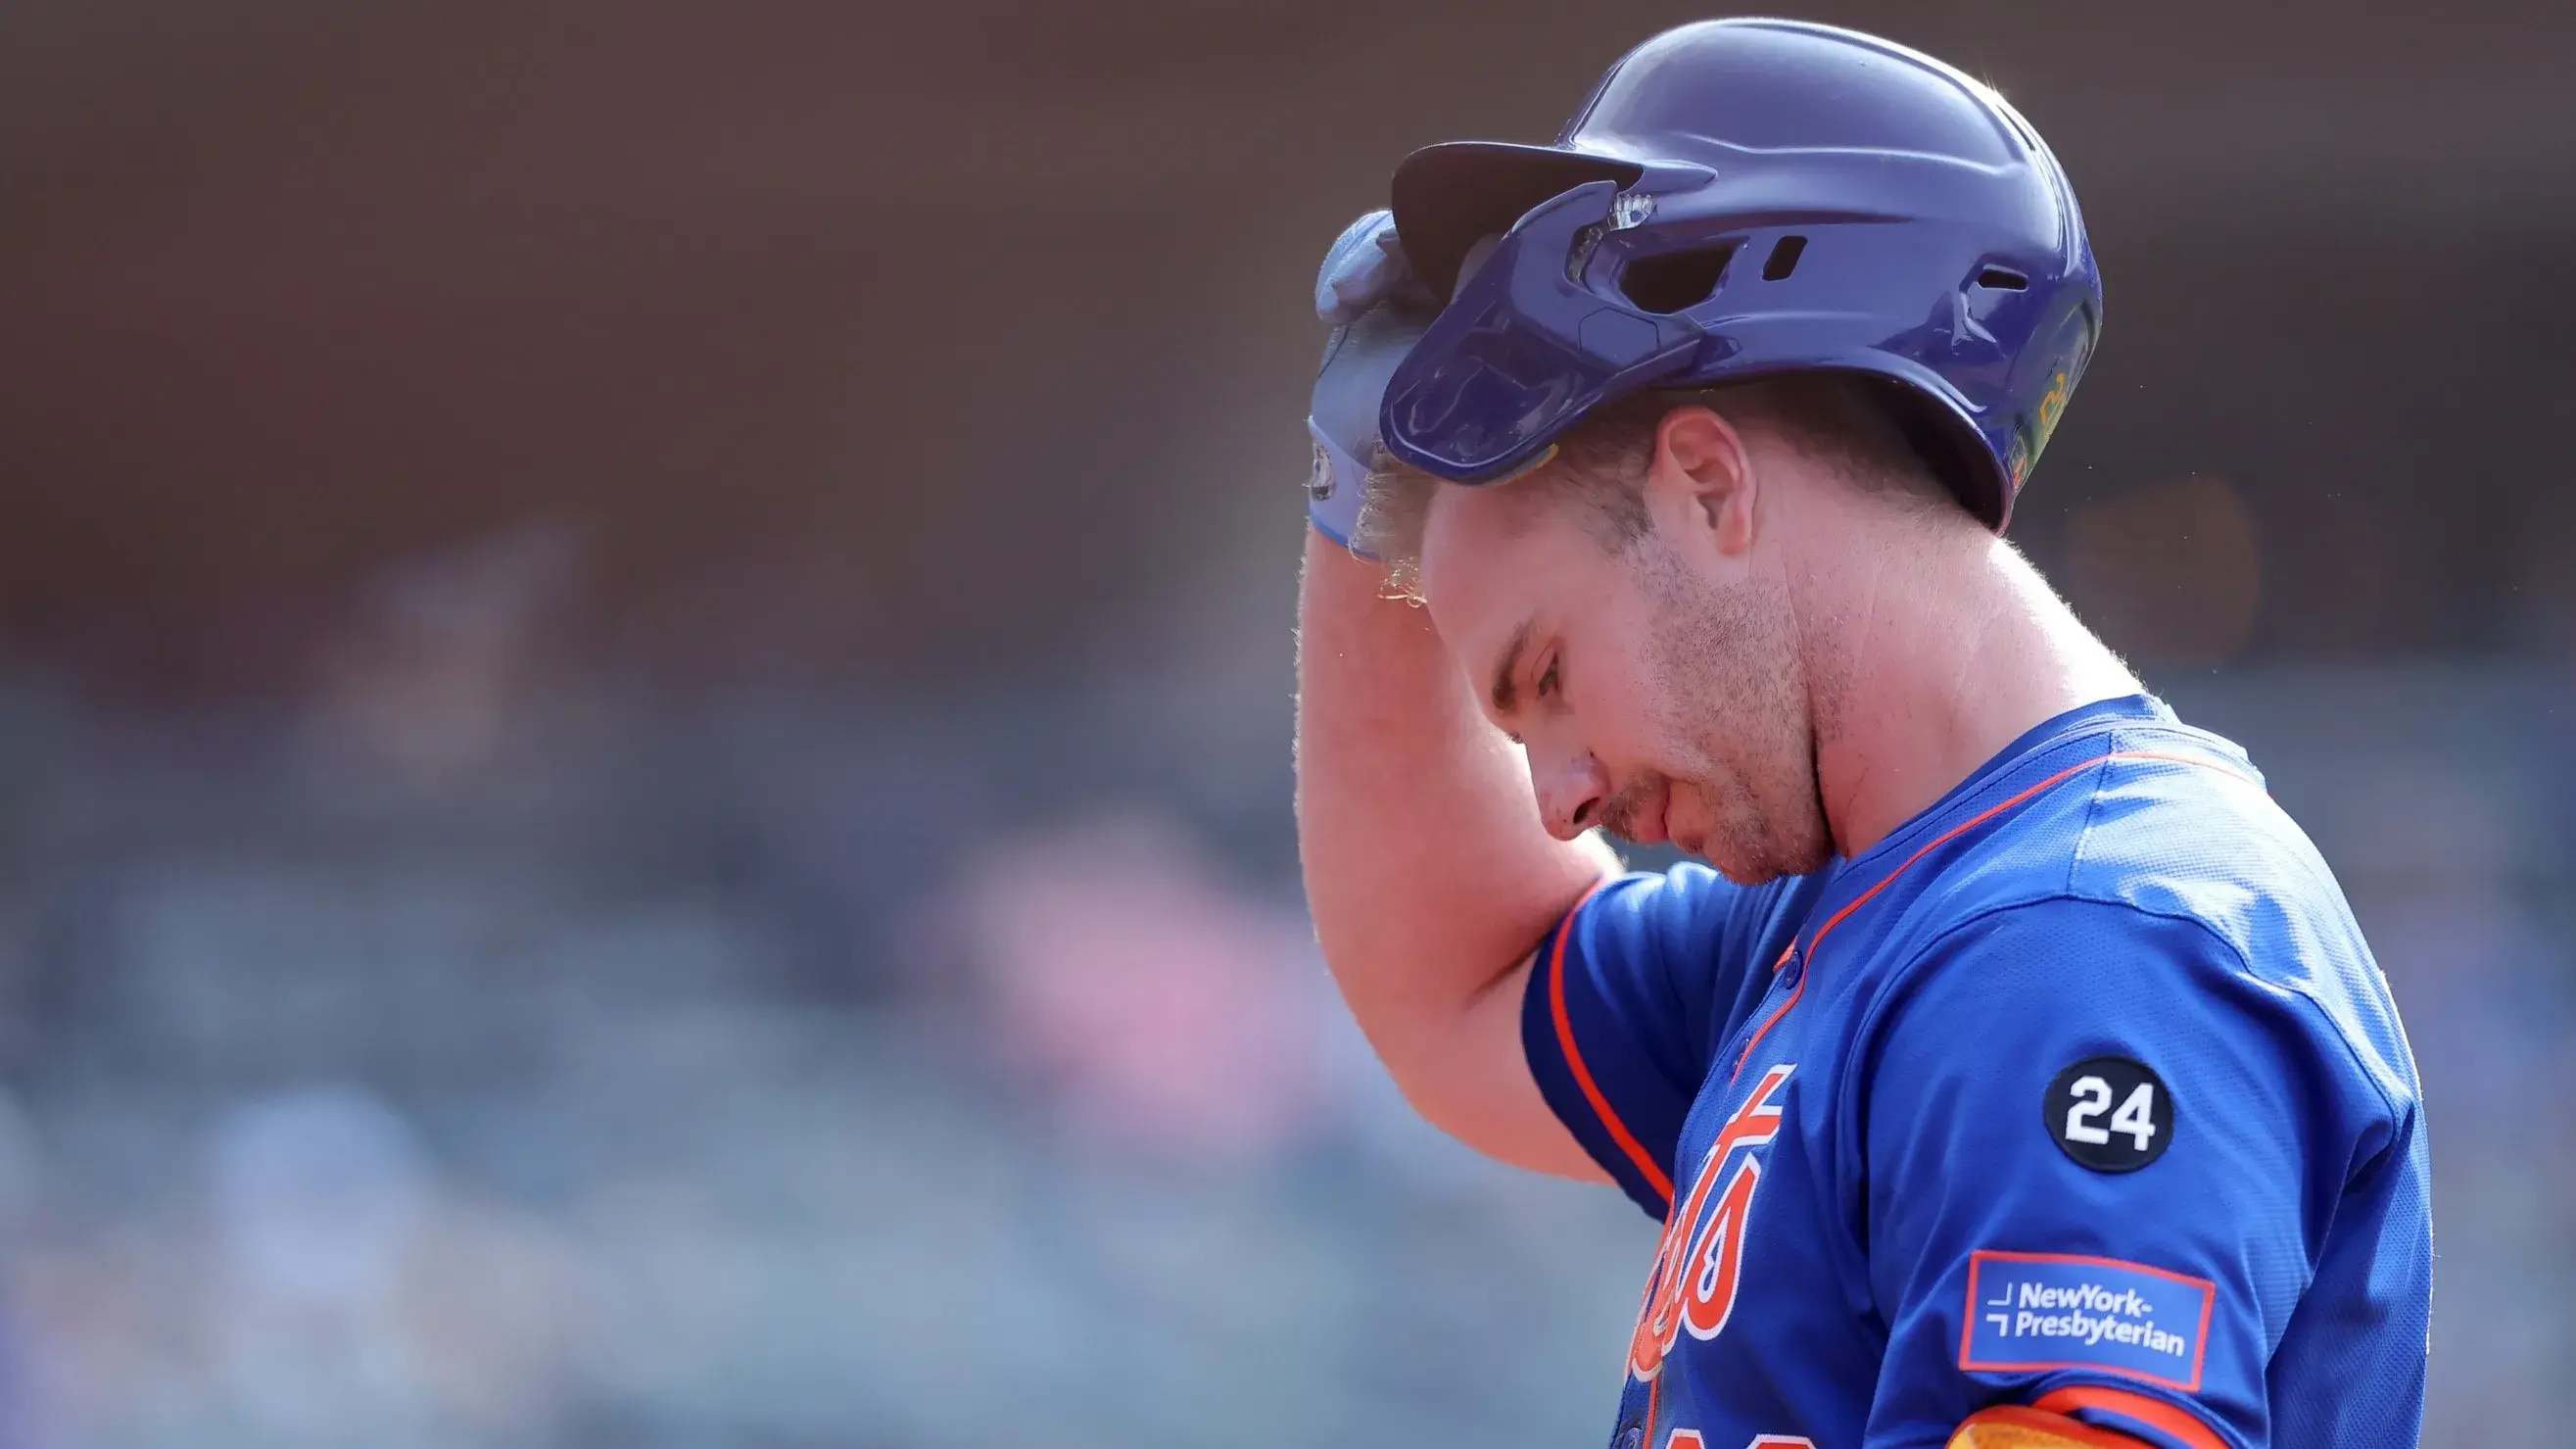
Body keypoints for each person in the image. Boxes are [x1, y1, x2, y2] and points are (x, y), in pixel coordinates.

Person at [1294, 20, 2429, 1449]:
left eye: (1550, 675)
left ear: (1708, 489)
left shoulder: (2082, 941)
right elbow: (1458, 980)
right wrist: (1358, 509)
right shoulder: (1853, 910)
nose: (1557, 799)